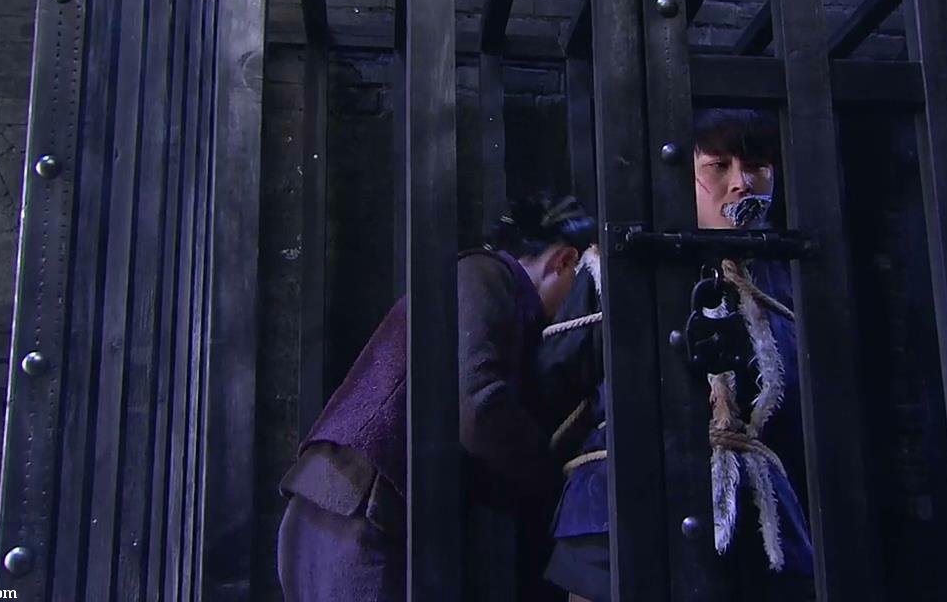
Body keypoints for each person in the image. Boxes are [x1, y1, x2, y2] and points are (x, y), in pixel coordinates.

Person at [541, 108, 815, 601]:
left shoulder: (788, 276)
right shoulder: (613, 270)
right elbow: (558, 378)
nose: (741, 183)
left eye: (756, 166)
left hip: (752, 514)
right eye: (719, 166)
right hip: (613, 514)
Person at [277, 192, 597, 602]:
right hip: (358, 513)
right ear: (565, 261)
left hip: (339, 508)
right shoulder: (486, 275)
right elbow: (478, 406)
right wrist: (552, 474)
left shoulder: (483, 284)